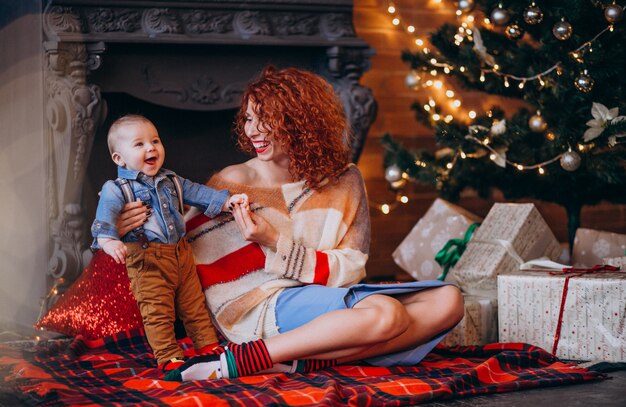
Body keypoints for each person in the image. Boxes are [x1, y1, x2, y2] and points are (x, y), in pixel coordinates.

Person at [116, 67, 464, 382]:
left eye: (266, 119)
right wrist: (128, 230)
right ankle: (241, 360)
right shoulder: (232, 181)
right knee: (388, 315)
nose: (253, 131)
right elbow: (189, 258)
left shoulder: (345, 180)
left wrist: (274, 242)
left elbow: (352, 267)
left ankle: (308, 359)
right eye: (249, 119)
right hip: (259, 306)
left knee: (449, 300)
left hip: (324, 296)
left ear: (300, 121)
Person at [92, 114, 248, 371]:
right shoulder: (116, 188)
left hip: (181, 253)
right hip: (147, 260)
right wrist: (109, 241)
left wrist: (226, 202)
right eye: (139, 144)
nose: (151, 148)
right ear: (119, 159)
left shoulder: (172, 180)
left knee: (194, 305)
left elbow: (198, 192)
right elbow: (105, 216)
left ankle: (207, 345)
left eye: (155, 140)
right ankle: (168, 355)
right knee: (157, 310)